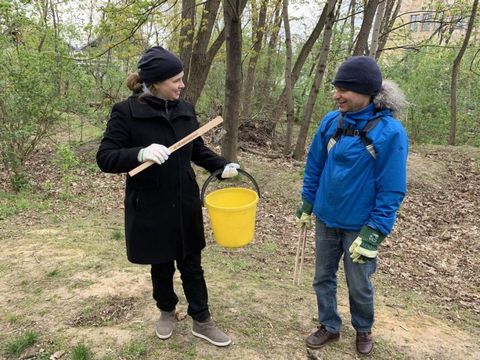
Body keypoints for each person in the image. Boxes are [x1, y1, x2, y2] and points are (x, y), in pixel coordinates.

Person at [97, 46, 239, 347]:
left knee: (192, 263)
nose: (182, 85)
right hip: (150, 204)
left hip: (184, 201)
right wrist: (140, 153)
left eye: (182, 79)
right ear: (156, 82)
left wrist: (221, 164)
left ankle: (202, 319)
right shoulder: (126, 113)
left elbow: (197, 149)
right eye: (176, 80)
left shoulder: (185, 109)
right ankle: (166, 309)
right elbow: (106, 157)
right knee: (160, 264)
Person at [295, 56, 408, 356]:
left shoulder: (390, 132)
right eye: (335, 87)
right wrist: (307, 202)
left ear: (366, 92)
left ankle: (363, 328)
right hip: (325, 218)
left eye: (343, 88)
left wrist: (375, 232)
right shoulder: (331, 122)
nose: (336, 95)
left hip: (360, 225)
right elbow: (314, 165)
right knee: (322, 277)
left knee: (359, 284)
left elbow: (392, 188)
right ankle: (329, 325)